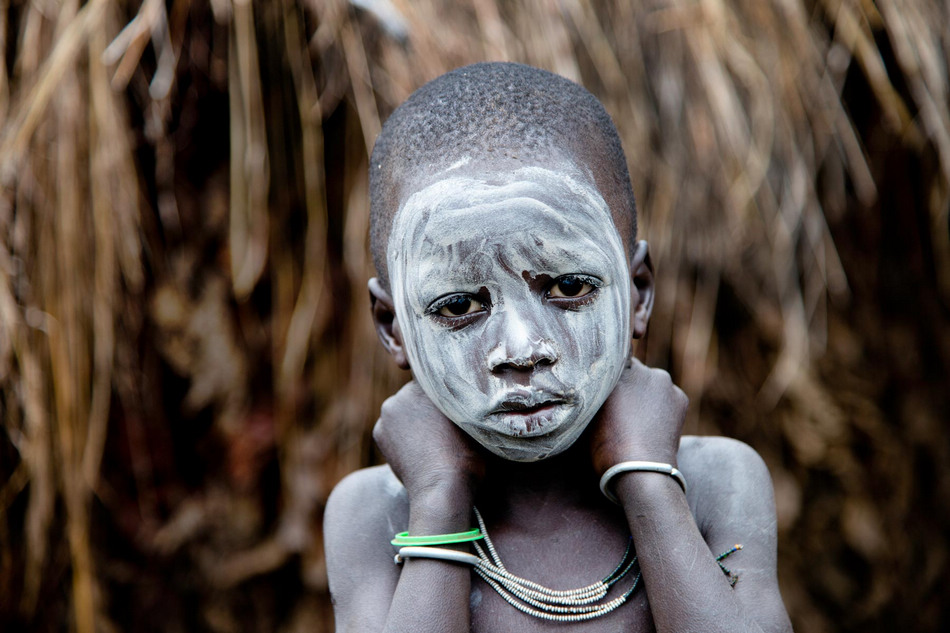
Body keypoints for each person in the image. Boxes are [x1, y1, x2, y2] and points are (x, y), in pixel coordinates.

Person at [324, 62, 792, 633]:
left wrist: (647, 484)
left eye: (569, 287)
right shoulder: (376, 515)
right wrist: (438, 498)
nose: (521, 350)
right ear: (394, 327)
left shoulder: (717, 482)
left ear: (638, 292)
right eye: (457, 307)